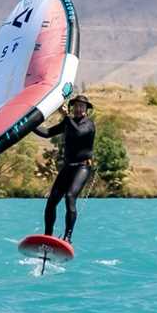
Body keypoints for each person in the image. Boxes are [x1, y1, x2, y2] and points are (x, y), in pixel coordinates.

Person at [32, 94, 96, 243]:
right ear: (73, 107)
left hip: (83, 167)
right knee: (51, 202)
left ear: (86, 109)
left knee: (70, 196)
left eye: (82, 106)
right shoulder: (69, 122)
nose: (79, 109)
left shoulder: (89, 124)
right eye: (77, 106)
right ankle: (48, 236)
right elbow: (47, 133)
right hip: (68, 167)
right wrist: (29, 126)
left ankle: (68, 237)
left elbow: (78, 133)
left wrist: (66, 116)